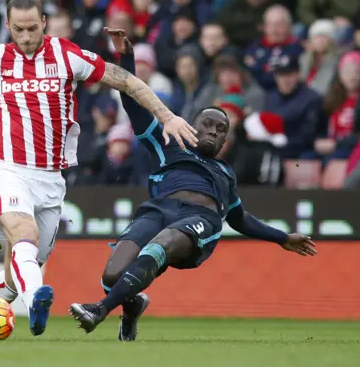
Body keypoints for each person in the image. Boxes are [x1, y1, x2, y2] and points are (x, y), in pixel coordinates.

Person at [0, 0, 198, 337]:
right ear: (7, 26)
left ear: (44, 23)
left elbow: (124, 80)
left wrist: (167, 116)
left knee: (16, 274)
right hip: (7, 169)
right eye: (18, 29)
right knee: (24, 234)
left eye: (33, 28)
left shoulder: (67, 55)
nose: (27, 36)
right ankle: (37, 301)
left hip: (50, 179)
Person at [68, 28, 317, 340]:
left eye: (221, 129)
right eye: (208, 125)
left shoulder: (226, 174)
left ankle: (99, 310)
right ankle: (130, 308)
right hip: (157, 211)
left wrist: (281, 238)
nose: (213, 132)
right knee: (113, 274)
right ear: (191, 125)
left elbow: (239, 218)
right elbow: (133, 104)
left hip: (199, 219)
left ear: (226, 138)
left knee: (164, 244)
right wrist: (126, 58)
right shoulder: (169, 144)